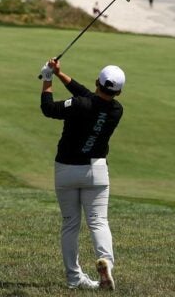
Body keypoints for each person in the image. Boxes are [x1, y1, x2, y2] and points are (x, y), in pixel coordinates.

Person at [39, 59, 124, 290]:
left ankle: (74, 278)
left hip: (66, 169)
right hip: (96, 172)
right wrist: (60, 74)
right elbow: (88, 96)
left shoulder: (79, 105)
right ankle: (106, 260)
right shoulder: (117, 110)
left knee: (70, 224)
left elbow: (48, 109)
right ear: (119, 91)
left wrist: (47, 78)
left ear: (97, 81)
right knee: (98, 221)